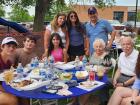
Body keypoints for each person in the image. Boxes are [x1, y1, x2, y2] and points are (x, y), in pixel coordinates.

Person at [0, 37, 18, 105]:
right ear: (2, 47)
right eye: (8, 46)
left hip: (3, 87)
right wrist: (8, 91)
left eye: (13, 47)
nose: (11, 49)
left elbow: (8, 79)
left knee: (22, 95)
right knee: (12, 99)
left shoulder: (9, 62)